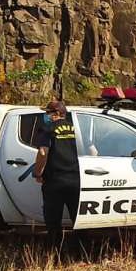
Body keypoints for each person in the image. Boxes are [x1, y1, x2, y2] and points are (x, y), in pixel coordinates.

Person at [33, 101, 80, 249]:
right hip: (76, 179)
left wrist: (38, 172)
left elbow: (42, 152)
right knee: (78, 218)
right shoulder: (76, 128)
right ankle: (80, 252)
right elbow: (92, 151)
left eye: (48, 113)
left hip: (54, 181)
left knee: (53, 221)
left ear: (57, 114)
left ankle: (55, 253)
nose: (46, 116)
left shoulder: (47, 129)